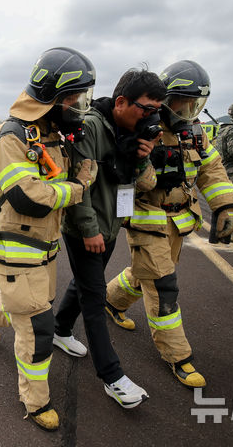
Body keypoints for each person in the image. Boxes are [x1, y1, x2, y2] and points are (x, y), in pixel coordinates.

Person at [0, 47, 98, 432]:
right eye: (73, 97)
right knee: (37, 328)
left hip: (44, 246)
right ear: (53, 97)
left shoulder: (49, 133)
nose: (77, 104)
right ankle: (35, 400)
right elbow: (27, 197)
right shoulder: (11, 135)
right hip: (16, 247)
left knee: (28, 309)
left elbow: (52, 181)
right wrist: (77, 187)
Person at [105, 60, 233, 389]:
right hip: (147, 218)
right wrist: (142, 157)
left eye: (198, 104)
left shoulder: (195, 132)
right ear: (168, 99)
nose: (191, 110)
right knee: (162, 285)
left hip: (181, 219)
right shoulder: (143, 129)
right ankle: (178, 356)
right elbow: (132, 181)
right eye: (186, 102)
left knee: (146, 274)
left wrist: (225, 206)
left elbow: (212, 169)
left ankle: (110, 301)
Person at [52, 68, 166, 410]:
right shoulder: (91, 127)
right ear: (120, 102)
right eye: (146, 109)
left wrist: (142, 156)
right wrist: (89, 230)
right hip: (86, 228)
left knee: (86, 283)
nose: (152, 117)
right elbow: (79, 184)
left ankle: (59, 329)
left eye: (156, 110)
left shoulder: (131, 131)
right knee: (94, 296)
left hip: (112, 224)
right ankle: (112, 376)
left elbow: (144, 184)